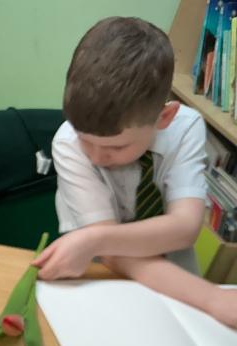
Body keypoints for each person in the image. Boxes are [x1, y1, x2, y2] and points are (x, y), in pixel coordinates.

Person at [34, 16, 237, 328]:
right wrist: (209, 298)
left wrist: (95, 239)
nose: (96, 156)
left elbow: (184, 228)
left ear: (164, 117)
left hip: (180, 286)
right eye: (86, 140)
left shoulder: (186, 128)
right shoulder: (68, 143)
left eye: (116, 147)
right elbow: (112, 254)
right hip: (104, 282)